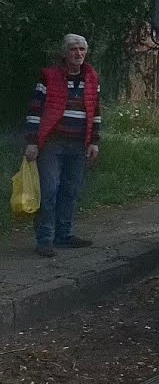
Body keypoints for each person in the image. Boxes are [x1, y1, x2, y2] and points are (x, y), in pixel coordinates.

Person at [23, 34, 102, 257]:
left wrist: (94, 141)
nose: (78, 54)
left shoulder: (91, 78)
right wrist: (32, 142)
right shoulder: (49, 77)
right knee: (49, 191)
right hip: (52, 144)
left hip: (78, 144)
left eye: (82, 49)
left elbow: (95, 111)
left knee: (70, 191)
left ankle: (64, 235)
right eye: (73, 49)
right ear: (65, 53)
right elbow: (35, 109)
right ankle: (45, 240)